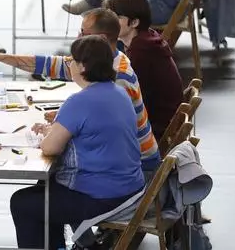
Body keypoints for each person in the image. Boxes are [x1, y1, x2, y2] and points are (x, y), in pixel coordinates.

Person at [0, 8, 160, 171]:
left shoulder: (119, 78)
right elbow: (46, 64)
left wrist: (62, 124)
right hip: (122, 160)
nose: (78, 37)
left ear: (101, 38)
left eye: (82, 32)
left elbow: (105, 130)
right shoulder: (100, 60)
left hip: (135, 163)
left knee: (49, 173)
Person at [10, 35, 145, 250]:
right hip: (131, 188)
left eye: (70, 60)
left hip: (102, 197)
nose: (69, 64)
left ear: (83, 66)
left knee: (22, 203)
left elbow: (50, 147)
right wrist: (55, 130)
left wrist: (49, 134)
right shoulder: (118, 92)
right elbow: (91, 131)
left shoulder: (79, 101)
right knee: (44, 188)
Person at [103, 0, 183, 140]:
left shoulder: (142, 51)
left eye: (116, 17)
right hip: (157, 120)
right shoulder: (146, 39)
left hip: (153, 129)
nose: (109, 22)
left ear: (134, 22)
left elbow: (127, 99)